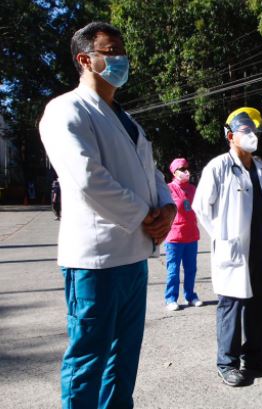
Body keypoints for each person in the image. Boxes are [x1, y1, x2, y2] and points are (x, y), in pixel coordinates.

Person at [39, 21, 176, 408]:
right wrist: (146, 215)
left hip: (135, 254)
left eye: (121, 51)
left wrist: (167, 207)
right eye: (111, 50)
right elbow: (87, 179)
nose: (121, 59)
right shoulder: (65, 110)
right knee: (89, 357)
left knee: (124, 355)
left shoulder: (129, 121)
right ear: (86, 59)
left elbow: (153, 173)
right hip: (95, 260)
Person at [193, 107, 262, 387]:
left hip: (260, 246)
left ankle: (255, 355)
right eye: (247, 132)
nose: (253, 137)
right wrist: (222, 237)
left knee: (259, 304)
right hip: (234, 250)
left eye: (255, 132)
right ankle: (227, 362)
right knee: (231, 305)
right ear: (230, 136)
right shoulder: (218, 166)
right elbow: (200, 207)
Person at [164, 157, 202, 311]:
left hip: (191, 235)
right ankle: (171, 298)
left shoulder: (193, 189)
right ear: (174, 172)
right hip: (174, 237)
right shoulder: (168, 189)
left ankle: (190, 295)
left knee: (191, 268)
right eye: (182, 169)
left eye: (187, 168)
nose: (186, 171)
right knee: (173, 270)